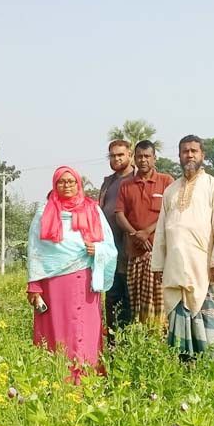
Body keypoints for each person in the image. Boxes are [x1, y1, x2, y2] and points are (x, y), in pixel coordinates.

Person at [27, 166, 117, 383]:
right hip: (54, 284)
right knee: (59, 331)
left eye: (71, 182)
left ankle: (87, 378)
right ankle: (59, 378)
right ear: (54, 185)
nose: (66, 185)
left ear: (79, 184)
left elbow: (110, 246)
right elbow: (35, 252)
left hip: (85, 282)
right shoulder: (44, 212)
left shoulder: (93, 211)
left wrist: (98, 250)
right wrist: (34, 287)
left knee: (86, 331)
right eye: (61, 182)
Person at [151, 136, 214, 359]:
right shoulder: (171, 190)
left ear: (203, 155)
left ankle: (206, 367)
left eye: (194, 151)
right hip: (174, 266)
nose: (190, 155)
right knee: (177, 314)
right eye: (185, 151)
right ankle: (182, 366)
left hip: (202, 267)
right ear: (179, 156)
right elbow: (161, 230)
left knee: (204, 317)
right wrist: (158, 264)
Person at [116, 141, 174, 330]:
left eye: (147, 156)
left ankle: (162, 341)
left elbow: (171, 213)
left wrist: (147, 232)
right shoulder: (126, 185)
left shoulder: (166, 181)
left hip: (160, 255)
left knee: (161, 304)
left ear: (154, 158)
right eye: (139, 156)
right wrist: (134, 234)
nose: (143, 160)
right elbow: (119, 214)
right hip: (135, 254)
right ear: (135, 158)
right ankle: (141, 340)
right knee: (136, 305)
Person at [99, 140, 135, 344]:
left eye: (120, 155)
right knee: (111, 299)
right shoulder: (108, 183)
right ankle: (112, 345)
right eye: (112, 156)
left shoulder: (137, 178)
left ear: (129, 155)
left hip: (132, 249)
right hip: (110, 251)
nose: (116, 159)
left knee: (131, 301)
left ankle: (129, 345)